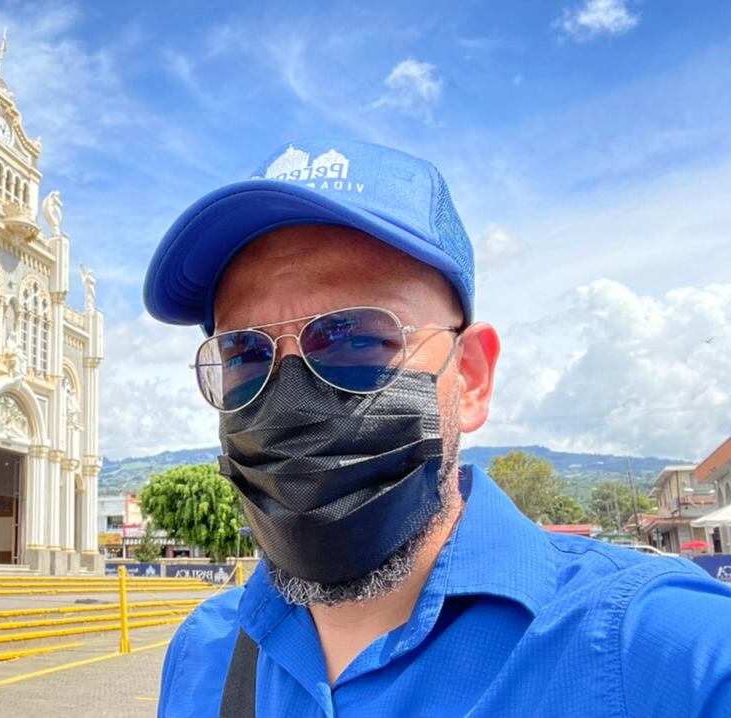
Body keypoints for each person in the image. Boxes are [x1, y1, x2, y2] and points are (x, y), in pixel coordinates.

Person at [143, 138, 731, 717]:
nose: (291, 399)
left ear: (470, 377)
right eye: (244, 352)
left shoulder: (659, 650)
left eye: (356, 337)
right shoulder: (205, 651)